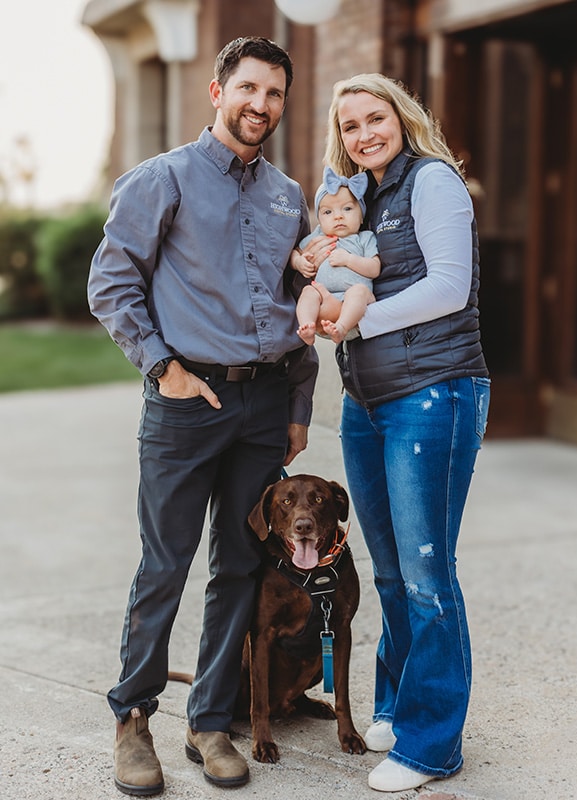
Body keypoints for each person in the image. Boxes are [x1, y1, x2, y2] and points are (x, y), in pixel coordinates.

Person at [87, 37, 318, 796]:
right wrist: (163, 367)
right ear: (217, 93)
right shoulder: (165, 179)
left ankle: (210, 721)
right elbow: (111, 282)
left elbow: (304, 307)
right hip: (188, 403)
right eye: (249, 89)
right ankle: (132, 720)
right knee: (164, 566)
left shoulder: (289, 195)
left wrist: (297, 404)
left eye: (275, 94)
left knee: (242, 566)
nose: (262, 105)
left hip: (263, 404)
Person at [301, 73, 491, 793]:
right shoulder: (361, 199)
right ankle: (397, 706)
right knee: (387, 572)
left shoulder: (433, 181)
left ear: (401, 117)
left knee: (426, 574)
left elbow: (448, 286)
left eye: (374, 117)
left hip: (432, 395)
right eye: (349, 126)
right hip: (368, 400)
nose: (363, 134)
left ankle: (432, 745)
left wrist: (350, 321)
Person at [291, 166, 380, 346]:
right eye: (328, 212)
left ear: (361, 216)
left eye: (347, 209)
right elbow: (295, 253)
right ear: (320, 220)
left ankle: (341, 327)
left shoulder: (364, 238)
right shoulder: (318, 236)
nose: (338, 217)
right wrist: (299, 262)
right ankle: (306, 326)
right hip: (325, 296)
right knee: (309, 291)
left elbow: (374, 268)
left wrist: (349, 260)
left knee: (359, 291)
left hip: (355, 299)